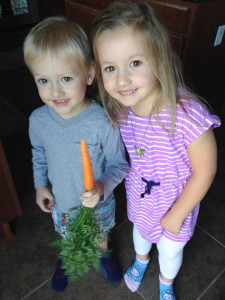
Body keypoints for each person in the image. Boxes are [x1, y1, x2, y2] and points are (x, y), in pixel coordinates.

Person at [91, 2, 221, 299]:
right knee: (140, 234)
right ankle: (141, 260)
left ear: (159, 58)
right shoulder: (121, 110)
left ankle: (165, 281)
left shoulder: (188, 115)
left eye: (134, 63)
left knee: (171, 249)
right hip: (142, 195)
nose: (122, 79)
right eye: (111, 68)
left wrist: (177, 214)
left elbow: (206, 170)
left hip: (179, 199)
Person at [23, 16, 129, 292]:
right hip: (61, 202)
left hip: (99, 204)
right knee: (68, 238)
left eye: (66, 78)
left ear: (90, 74)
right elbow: (38, 154)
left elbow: (119, 165)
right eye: (43, 80)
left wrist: (101, 186)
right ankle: (68, 258)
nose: (55, 91)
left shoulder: (104, 122)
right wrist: (40, 184)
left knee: (99, 237)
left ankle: (104, 256)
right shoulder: (38, 120)